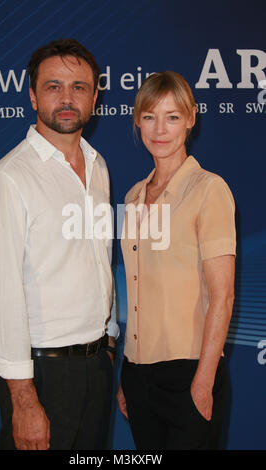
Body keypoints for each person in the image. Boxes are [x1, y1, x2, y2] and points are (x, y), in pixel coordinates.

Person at [0, 38, 119, 451]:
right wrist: (23, 399)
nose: (66, 98)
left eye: (78, 87)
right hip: (41, 374)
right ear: (31, 95)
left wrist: (108, 342)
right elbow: (3, 295)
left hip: (96, 366)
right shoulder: (10, 178)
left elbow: (99, 260)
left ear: (95, 96)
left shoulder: (99, 167)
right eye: (53, 86)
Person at [117, 71, 236, 450]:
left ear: (190, 118)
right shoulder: (134, 197)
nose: (160, 129)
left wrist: (203, 380)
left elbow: (223, 296)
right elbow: (136, 294)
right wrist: (127, 373)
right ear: (137, 121)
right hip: (137, 374)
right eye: (150, 116)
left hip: (190, 372)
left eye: (172, 116)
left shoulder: (208, 190)